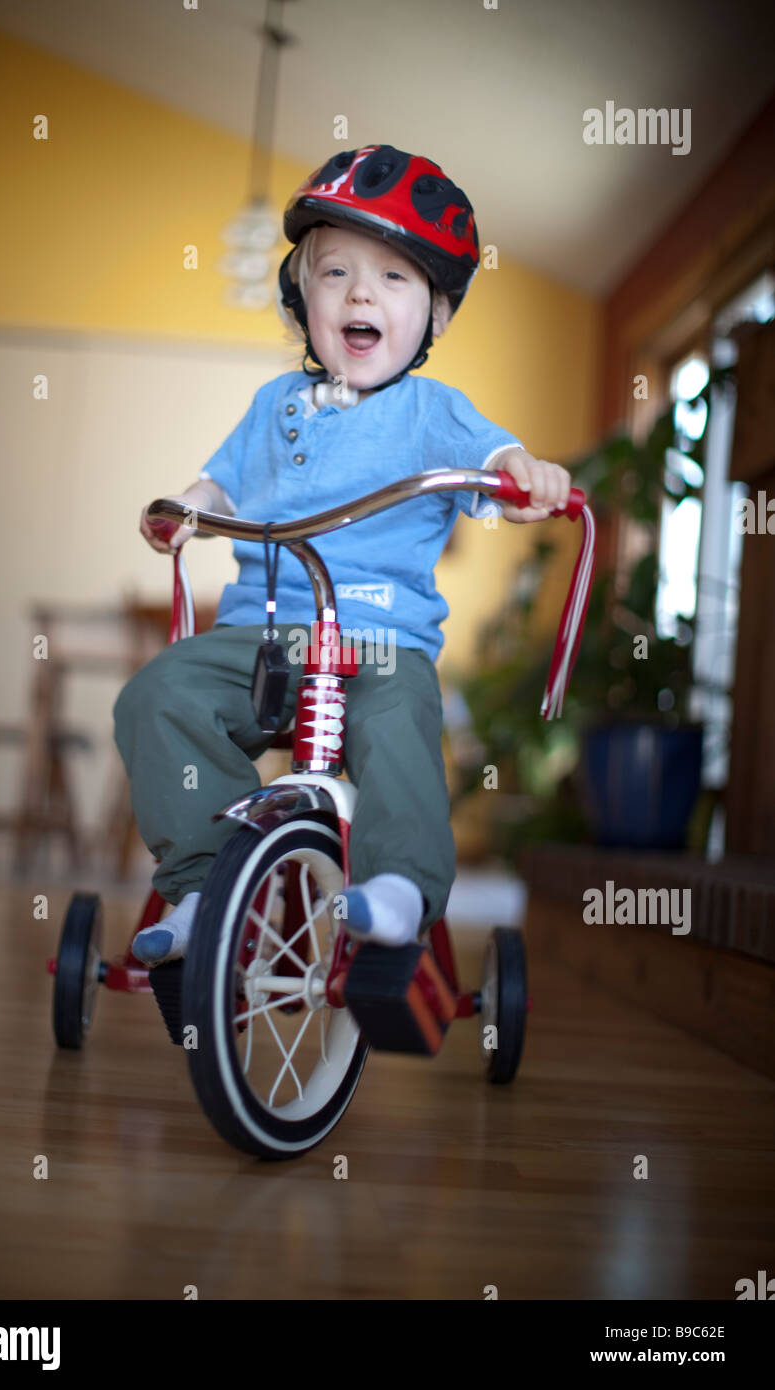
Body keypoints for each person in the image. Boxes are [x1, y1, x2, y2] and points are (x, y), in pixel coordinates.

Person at [113, 144, 571, 966]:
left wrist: (523, 473)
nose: (362, 292)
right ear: (301, 303)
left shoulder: (433, 411)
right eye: (336, 274)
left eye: (395, 277)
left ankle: (398, 887)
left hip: (377, 642)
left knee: (399, 726)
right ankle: (203, 887)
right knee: (156, 695)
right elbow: (218, 484)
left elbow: (499, 458)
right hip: (260, 638)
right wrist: (189, 510)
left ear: (434, 316)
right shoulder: (275, 404)